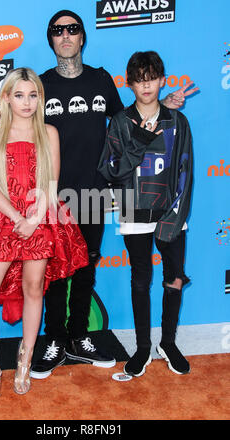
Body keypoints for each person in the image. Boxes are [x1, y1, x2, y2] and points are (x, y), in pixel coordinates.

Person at [0, 10, 198, 380]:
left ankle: (79, 337)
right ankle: (54, 339)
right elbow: (23, 114)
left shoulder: (100, 79)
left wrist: (165, 106)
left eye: (73, 29)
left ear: (82, 37)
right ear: (51, 39)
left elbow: (128, 119)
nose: (66, 35)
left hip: (96, 193)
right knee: (52, 272)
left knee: (83, 269)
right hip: (50, 195)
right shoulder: (43, 83)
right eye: (58, 30)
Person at [0, 67, 88, 408]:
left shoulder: (49, 132)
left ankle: (24, 361)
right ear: (7, 98)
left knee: (33, 288)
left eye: (33, 95)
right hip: (2, 219)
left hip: (40, 217)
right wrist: (16, 218)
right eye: (19, 95)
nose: (26, 102)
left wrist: (33, 217)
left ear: (40, 98)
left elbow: (51, 183)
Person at [98, 51, 193, 377]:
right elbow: (110, 170)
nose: (146, 85)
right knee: (140, 281)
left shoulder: (176, 121)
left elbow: (185, 171)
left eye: (151, 78)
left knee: (175, 278)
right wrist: (138, 140)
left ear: (162, 80)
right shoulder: (122, 122)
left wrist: (176, 213)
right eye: (139, 80)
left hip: (170, 211)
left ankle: (168, 342)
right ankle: (141, 348)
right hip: (134, 211)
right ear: (130, 84)